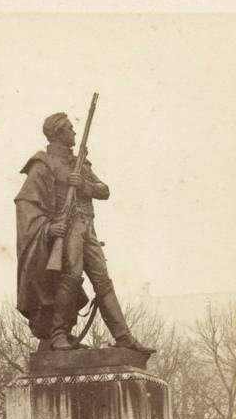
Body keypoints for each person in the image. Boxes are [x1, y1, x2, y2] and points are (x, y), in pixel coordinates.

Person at [14, 111, 148, 351]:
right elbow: (26, 204)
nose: (74, 131)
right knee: (72, 278)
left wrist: (84, 186)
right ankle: (58, 334)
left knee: (103, 280)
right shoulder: (43, 164)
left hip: (88, 227)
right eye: (68, 128)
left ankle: (123, 336)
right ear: (57, 133)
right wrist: (48, 227)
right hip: (68, 231)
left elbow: (104, 190)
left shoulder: (80, 164)